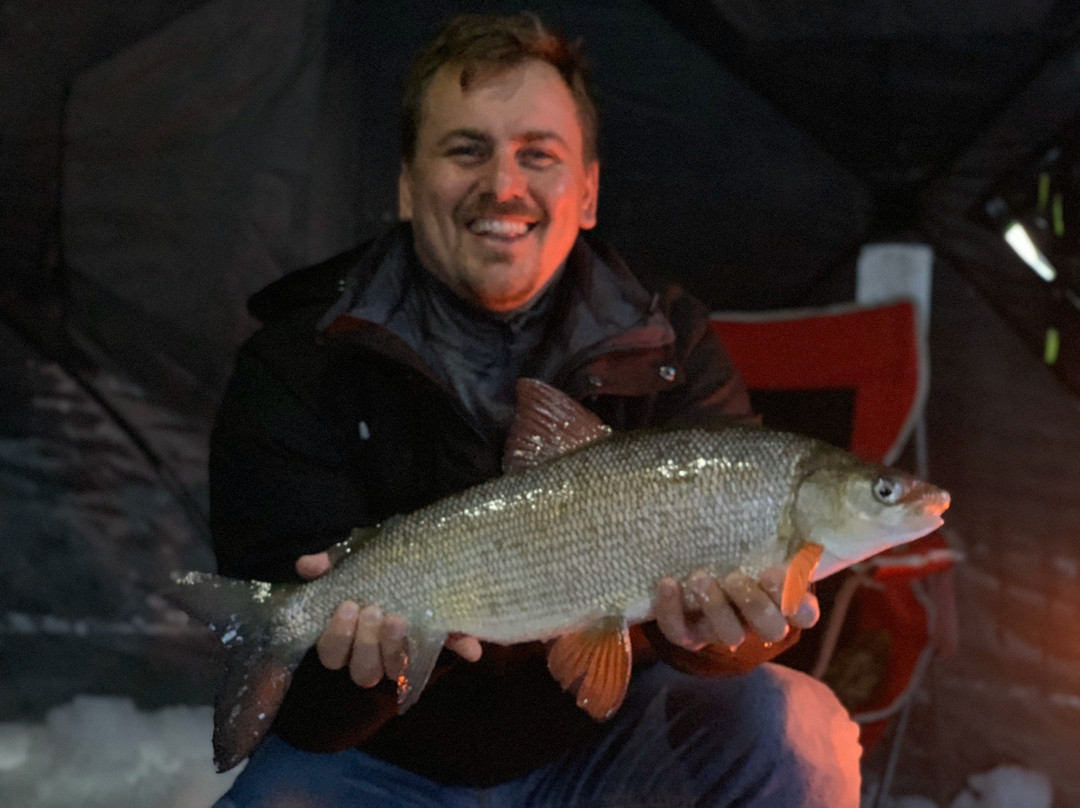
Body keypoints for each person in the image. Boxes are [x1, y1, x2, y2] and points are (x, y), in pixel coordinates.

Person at [209, 12, 861, 807]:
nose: (504, 186)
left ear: (586, 192)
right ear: (408, 187)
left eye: (538, 156)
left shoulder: (669, 339)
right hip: (383, 755)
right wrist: (369, 668)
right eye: (466, 150)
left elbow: (731, 635)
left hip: (603, 742)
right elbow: (312, 715)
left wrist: (725, 639)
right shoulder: (295, 359)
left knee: (795, 725)